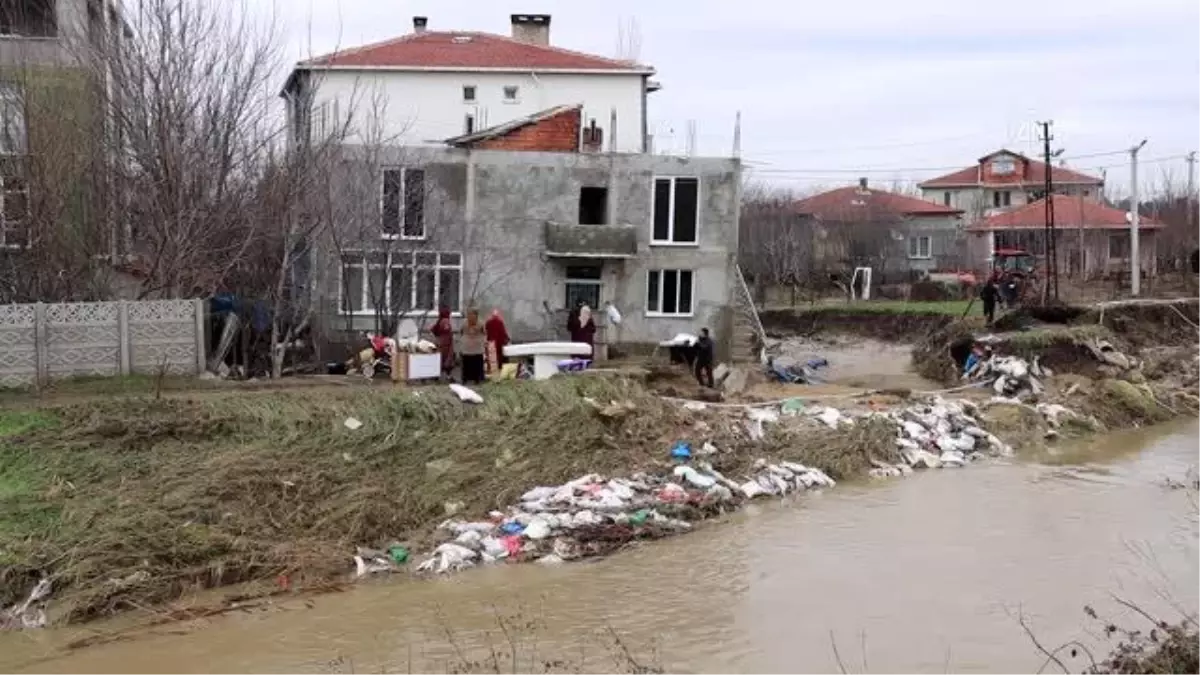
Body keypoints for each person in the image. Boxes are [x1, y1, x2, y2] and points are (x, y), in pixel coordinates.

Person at [460, 309, 487, 384]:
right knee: (477, 364)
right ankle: (477, 379)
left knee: (466, 364)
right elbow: (484, 332)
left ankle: (465, 379)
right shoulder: (480, 322)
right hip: (477, 347)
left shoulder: (464, 322)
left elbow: (461, 331)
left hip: (466, 347)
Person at [430, 306, 455, 379]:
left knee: (440, 360)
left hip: (440, 342)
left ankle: (436, 376)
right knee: (447, 360)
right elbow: (447, 330)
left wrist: (437, 336)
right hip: (446, 343)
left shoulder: (440, 320)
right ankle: (447, 377)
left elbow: (432, 329)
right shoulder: (445, 321)